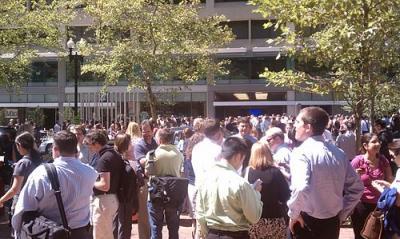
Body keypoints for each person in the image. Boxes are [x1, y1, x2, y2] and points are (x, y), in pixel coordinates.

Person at [288, 107, 363, 239]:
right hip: (331, 222)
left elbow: (300, 188)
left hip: (305, 222)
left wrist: (294, 214)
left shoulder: (301, 153)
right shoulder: (339, 153)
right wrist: (342, 213)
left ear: (307, 127)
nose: (295, 125)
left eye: (298, 122)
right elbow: (357, 188)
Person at [12, 130, 98, 238]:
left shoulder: (41, 174)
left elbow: (23, 209)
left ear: (55, 149)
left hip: (49, 234)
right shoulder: (90, 173)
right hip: (80, 233)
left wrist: (18, 233)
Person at [196, 137, 262, 239]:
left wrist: (208, 232)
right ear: (238, 156)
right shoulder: (240, 183)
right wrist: (256, 193)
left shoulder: (205, 179)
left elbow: (200, 214)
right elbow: (254, 217)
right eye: (242, 159)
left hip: (212, 234)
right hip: (235, 235)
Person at [350, 133, 394, 239]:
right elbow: (347, 183)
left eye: (378, 141)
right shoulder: (357, 161)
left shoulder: (383, 160)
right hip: (361, 205)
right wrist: (355, 175)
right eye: (374, 142)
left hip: (380, 206)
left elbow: (390, 180)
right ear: (365, 146)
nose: (378, 144)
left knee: (379, 235)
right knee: (361, 235)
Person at [145, 128, 184, 239]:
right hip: (173, 194)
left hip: (155, 194)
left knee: (155, 228)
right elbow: (181, 173)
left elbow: (147, 172)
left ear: (160, 139)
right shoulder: (178, 154)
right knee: (173, 228)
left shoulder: (152, 154)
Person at [246, 142, 290, 239]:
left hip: (254, 220)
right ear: (268, 153)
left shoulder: (246, 172)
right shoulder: (275, 172)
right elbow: (285, 196)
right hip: (274, 218)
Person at [86, 130, 124, 239]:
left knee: (101, 235)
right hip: (111, 199)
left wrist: (90, 182)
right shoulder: (114, 154)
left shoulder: (104, 159)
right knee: (106, 233)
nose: (88, 147)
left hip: (104, 201)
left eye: (89, 144)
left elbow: (104, 185)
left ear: (96, 144)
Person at [0, 132, 42, 214]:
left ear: (19, 145)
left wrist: (1, 200)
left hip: (21, 203)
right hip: (36, 202)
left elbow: (15, 189)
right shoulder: (38, 160)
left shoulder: (22, 163)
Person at [134, 120, 158, 239]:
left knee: (155, 214)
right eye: (143, 131)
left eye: (148, 131)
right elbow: (143, 162)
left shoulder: (156, 143)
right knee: (143, 215)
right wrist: (158, 160)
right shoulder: (139, 145)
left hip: (156, 182)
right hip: (144, 182)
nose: (146, 133)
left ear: (153, 130)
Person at [113, 133, 137, 239]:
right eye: (130, 142)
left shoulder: (115, 158)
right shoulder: (122, 161)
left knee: (117, 225)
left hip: (117, 197)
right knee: (124, 226)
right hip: (124, 198)